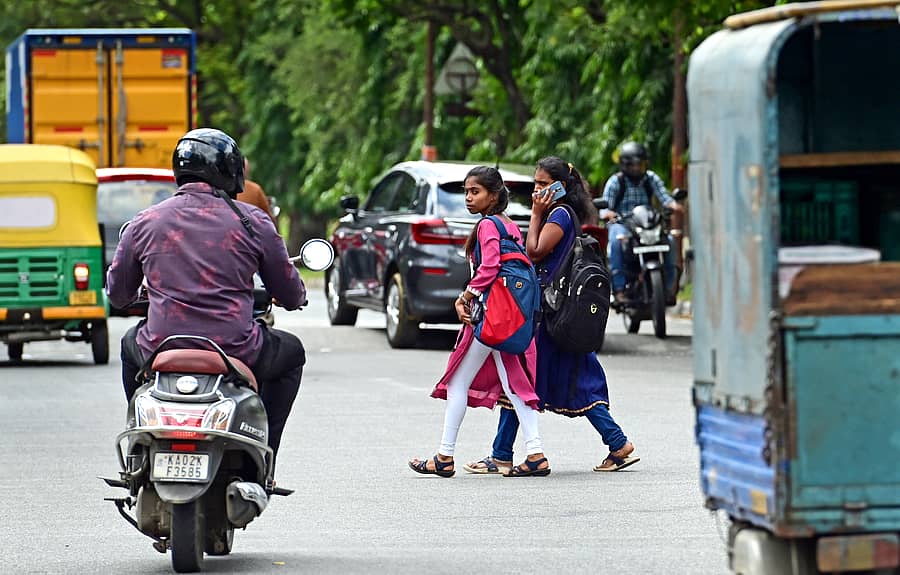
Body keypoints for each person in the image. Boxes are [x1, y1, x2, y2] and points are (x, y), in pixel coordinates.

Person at [106, 128, 307, 466]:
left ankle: (139, 448)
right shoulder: (251, 221)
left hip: (160, 345)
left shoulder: (144, 221)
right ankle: (263, 454)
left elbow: (118, 294)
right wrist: (294, 297)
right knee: (292, 354)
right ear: (231, 172)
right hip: (237, 346)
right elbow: (288, 291)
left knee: (129, 345)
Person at [464, 156, 638, 474]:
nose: (537, 190)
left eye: (543, 184)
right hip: (554, 310)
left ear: (561, 186)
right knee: (565, 379)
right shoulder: (561, 213)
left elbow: (534, 250)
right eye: (536, 184)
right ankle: (616, 442)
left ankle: (503, 453)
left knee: (524, 380)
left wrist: (535, 213)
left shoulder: (557, 214)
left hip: (550, 311)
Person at [408, 166, 551, 478]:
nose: (469, 198)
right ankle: (535, 452)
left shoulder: (488, 225)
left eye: (476, 192)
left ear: (494, 195)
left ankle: (445, 457)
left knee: (460, 381)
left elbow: (490, 267)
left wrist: (467, 296)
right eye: (467, 192)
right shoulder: (509, 225)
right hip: (509, 317)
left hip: (489, 318)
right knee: (515, 385)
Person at [600, 141, 683, 304]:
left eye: (640, 164)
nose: (637, 168)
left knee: (670, 241)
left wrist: (674, 205)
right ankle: (619, 289)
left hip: (646, 224)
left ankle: (670, 287)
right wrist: (607, 213)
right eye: (633, 165)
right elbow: (605, 207)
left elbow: (664, 197)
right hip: (622, 224)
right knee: (617, 241)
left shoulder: (650, 178)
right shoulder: (616, 182)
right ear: (624, 165)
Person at [237, 157, 277, 224]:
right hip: (248, 232)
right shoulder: (255, 189)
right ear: (247, 171)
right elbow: (268, 218)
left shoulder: (218, 188)